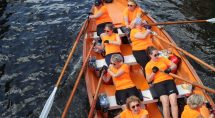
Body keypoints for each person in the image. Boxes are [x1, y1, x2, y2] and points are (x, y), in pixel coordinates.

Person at [145, 46, 178, 118]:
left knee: (173, 101)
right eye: (155, 55)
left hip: (169, 80)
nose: (157, 56)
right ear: (150, 55)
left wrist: (169, 69)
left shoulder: (163, 59)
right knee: (165, 102)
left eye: (158, 54)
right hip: (158, 83)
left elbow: (174, 65)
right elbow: (148, 80)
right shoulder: (148, 66)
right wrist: (153, 72)